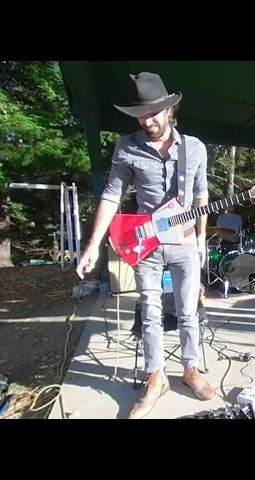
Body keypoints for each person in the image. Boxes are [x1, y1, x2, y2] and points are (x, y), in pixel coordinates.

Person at [75, 72, 215, 419]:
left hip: (183, 242)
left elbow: (201, 194)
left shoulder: (195, 148)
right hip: (147, 242)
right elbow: (111, 195)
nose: (147, 120)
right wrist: (92, 245)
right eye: (141, 114)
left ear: (170, 110)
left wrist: (200, 237)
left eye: (154, 112)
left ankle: (191, 369)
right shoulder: (128, 147)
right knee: (150, 310)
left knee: (187, 311)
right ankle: (156, 377)